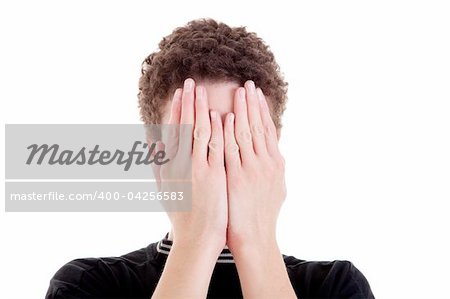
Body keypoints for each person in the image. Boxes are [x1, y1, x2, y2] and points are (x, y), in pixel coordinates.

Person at [46, 18, 375, 299]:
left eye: (239, 138)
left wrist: (255, 241)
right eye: (196, 142)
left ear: (273, 151)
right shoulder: (86, 285)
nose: (218, 162)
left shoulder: (336, 286)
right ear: (157, 156)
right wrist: (197, 240)